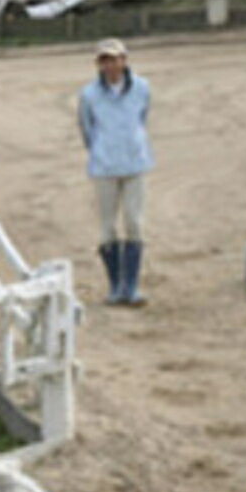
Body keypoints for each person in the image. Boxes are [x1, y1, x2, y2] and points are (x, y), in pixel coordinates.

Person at [77, 37, 154, 307]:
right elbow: (86, 129)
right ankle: (115, 284)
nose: (110, 65)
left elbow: (142, 118)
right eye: (105, 60)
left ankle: (131, 285)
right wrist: (101, 149)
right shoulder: (89, 95)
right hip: (105, 165)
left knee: (134, 222)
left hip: (134, 163)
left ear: (124, 60)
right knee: (107, 227)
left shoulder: (142, 88)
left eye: (114, 59)